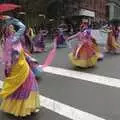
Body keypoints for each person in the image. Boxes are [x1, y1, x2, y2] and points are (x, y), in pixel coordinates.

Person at [0, 16, 40, 117]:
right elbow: (22, 27)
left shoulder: (7, 41)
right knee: (28, 82)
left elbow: (9, 56)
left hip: (16, 66)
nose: (13, 28)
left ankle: (20, 107)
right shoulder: (13, 38)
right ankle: (25, 107)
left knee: (20, 86)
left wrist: (29, 58)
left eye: (13, 27)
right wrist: (11, 18)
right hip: (20, 66)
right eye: (11, 27)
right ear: (8, 31)